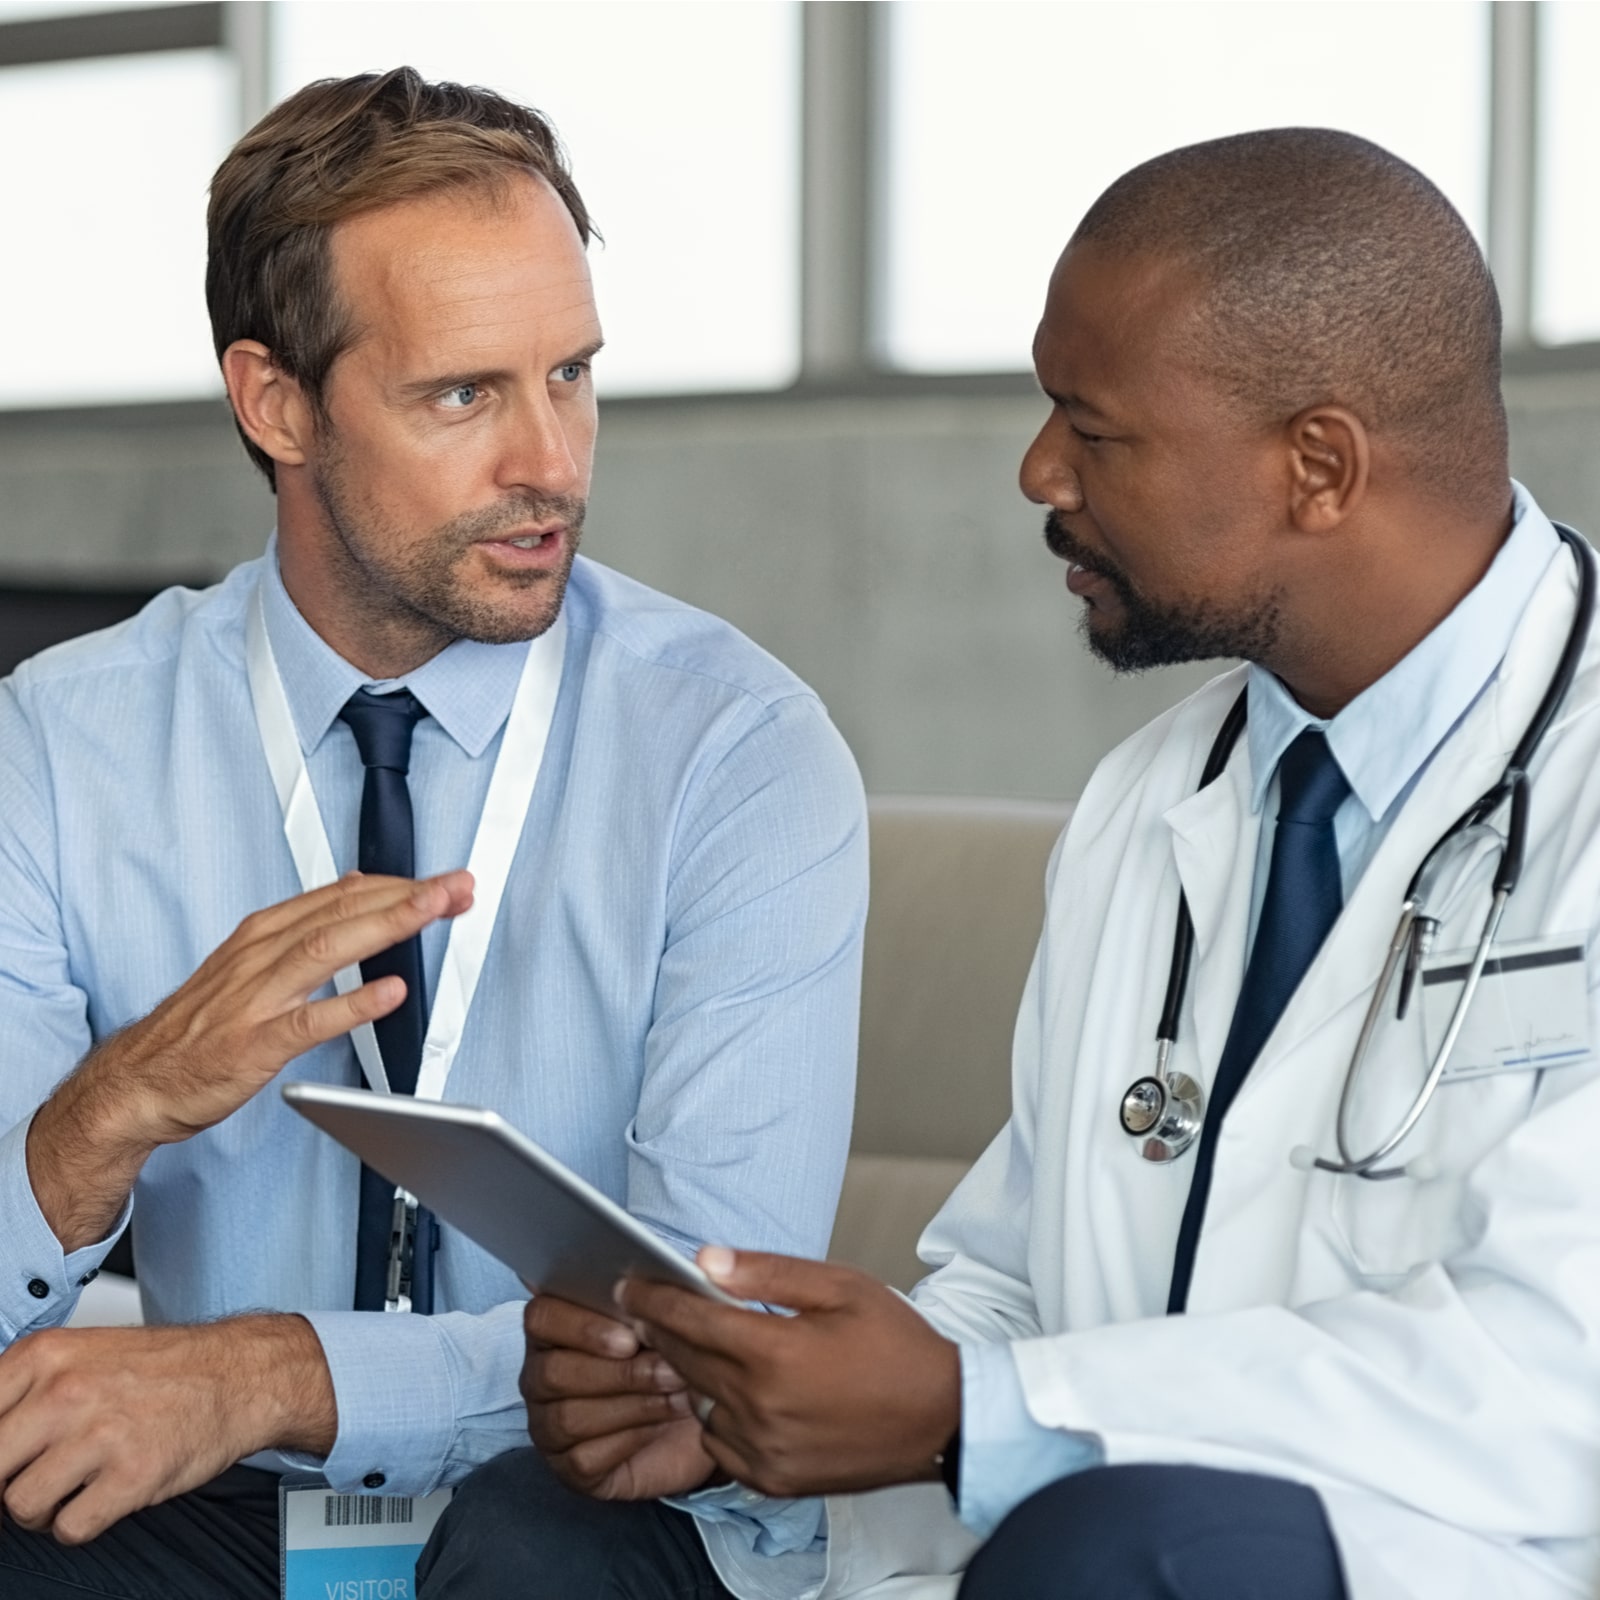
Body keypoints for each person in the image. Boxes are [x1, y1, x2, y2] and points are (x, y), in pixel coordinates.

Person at [462, 129, 1600, 1600]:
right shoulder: (1151, 802)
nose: (1037, 469)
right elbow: (1017, 1285)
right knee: (537, 1534)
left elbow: (1549, 1389)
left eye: (1094, 426)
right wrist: (771, 1404)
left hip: (1449, 1560)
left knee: (1120, 1555)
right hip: (1075, 1544)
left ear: (1319, 466)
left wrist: (970, 1416)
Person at [0, 67, 866, 1599]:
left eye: (572, 376)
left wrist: (274, 1374)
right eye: (464, 394)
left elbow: (705, 1341)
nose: (552, 463)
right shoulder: (60, 750)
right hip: (226, 1511)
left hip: (597, 1507)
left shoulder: (738, 752)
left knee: (538, 1553)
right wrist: (108, 1113)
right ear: (277, 403)